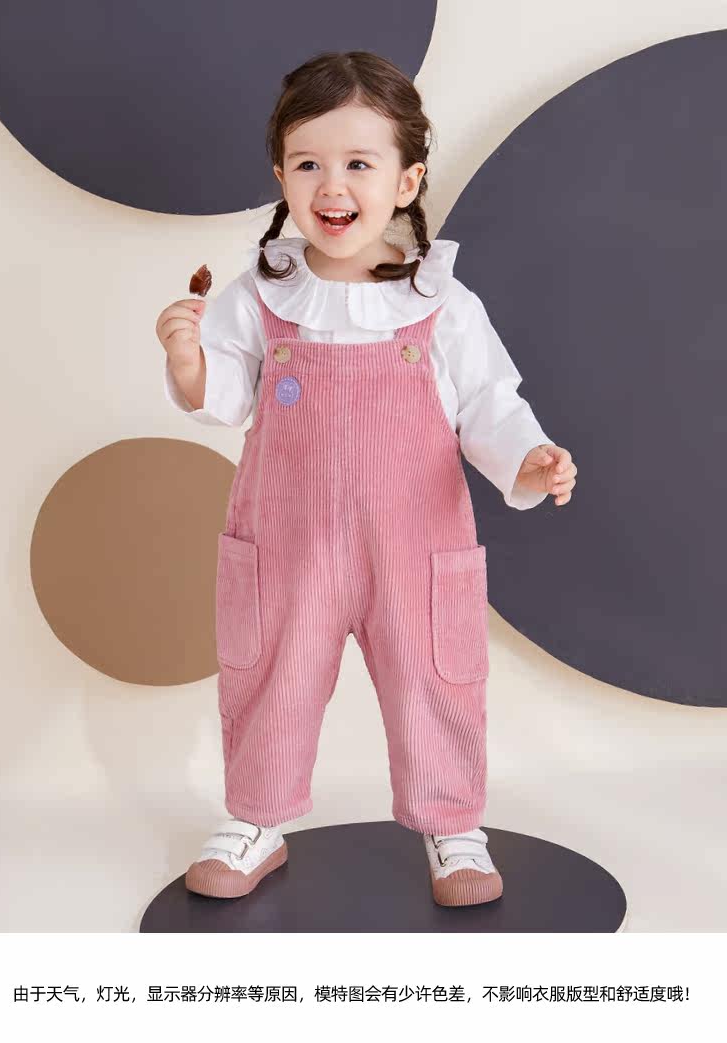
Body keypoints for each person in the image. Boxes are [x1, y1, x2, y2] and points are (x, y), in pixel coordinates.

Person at [154, 51, 577, 907]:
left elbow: (489, 404)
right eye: (308, 163)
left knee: (433, 679)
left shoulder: (440, 301)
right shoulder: (261, 295)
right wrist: (188, 358)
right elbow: (222, 396)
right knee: (272, 676)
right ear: (281, 177)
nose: (333, 184)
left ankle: (453, 824)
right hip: (288, 543)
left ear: (407, 180)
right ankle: (257, 818)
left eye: (358, 162)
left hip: (414, 544)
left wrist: (529, 455)